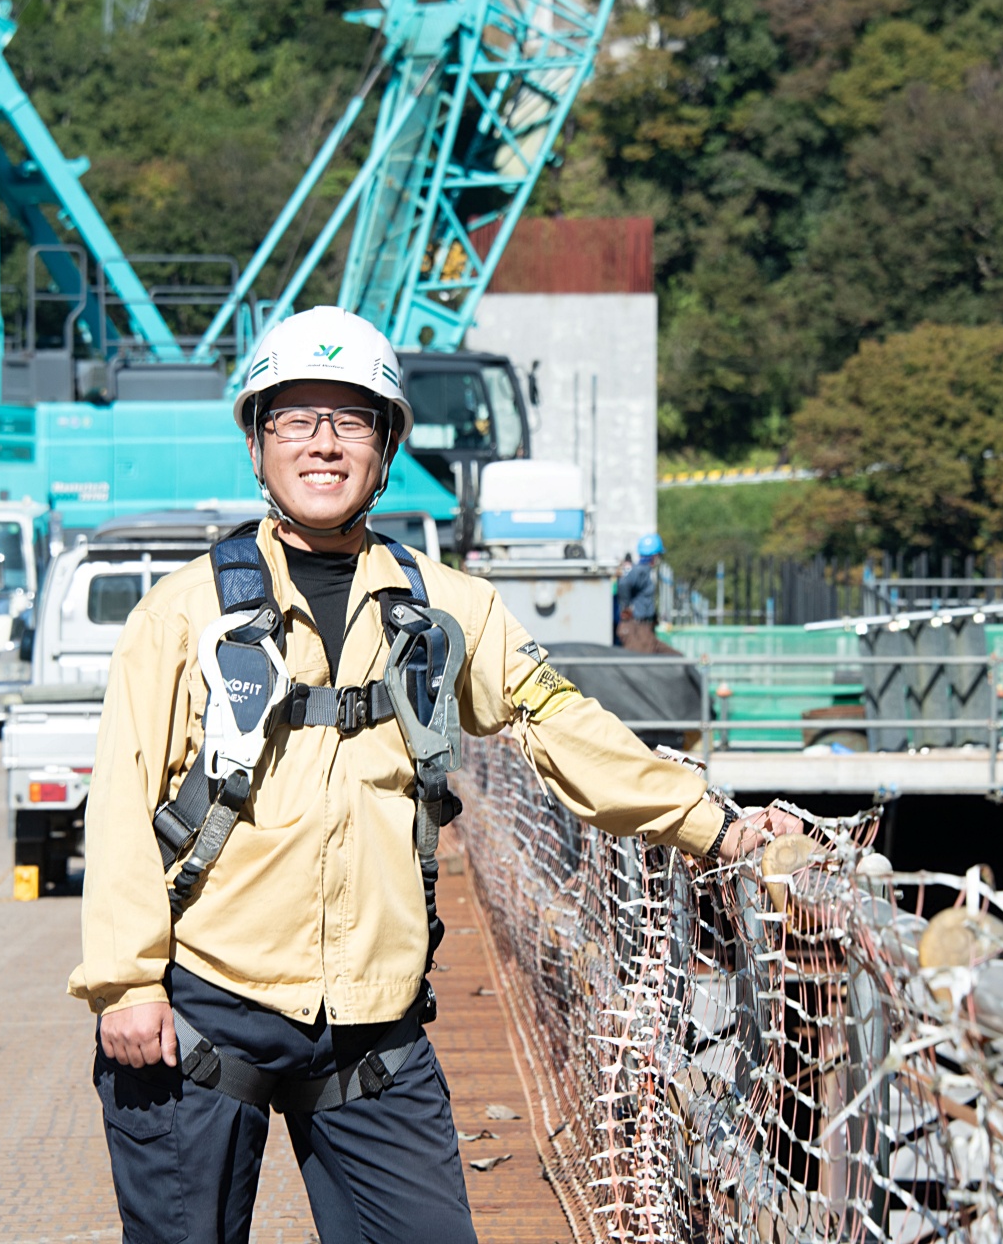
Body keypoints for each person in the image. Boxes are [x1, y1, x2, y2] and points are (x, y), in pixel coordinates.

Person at [69, 306, 798, 1244]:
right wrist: (126, 984)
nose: (323, 443)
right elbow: (121, 802)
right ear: (258, 442)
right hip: (206, 1003)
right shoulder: (182, 615)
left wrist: (715, 826)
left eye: (352, 419)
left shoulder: (447, 610)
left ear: (386, 447)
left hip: (374, 1020)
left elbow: (556, 720)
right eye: (295, 418)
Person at [616, 532, 668, 652]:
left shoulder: (645, 571)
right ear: (655, 556)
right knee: (642, 661)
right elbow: (623, 584)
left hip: (643, 628)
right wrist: (626, 607)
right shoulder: (640, 571)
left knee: (676, 657)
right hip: (636, 629)